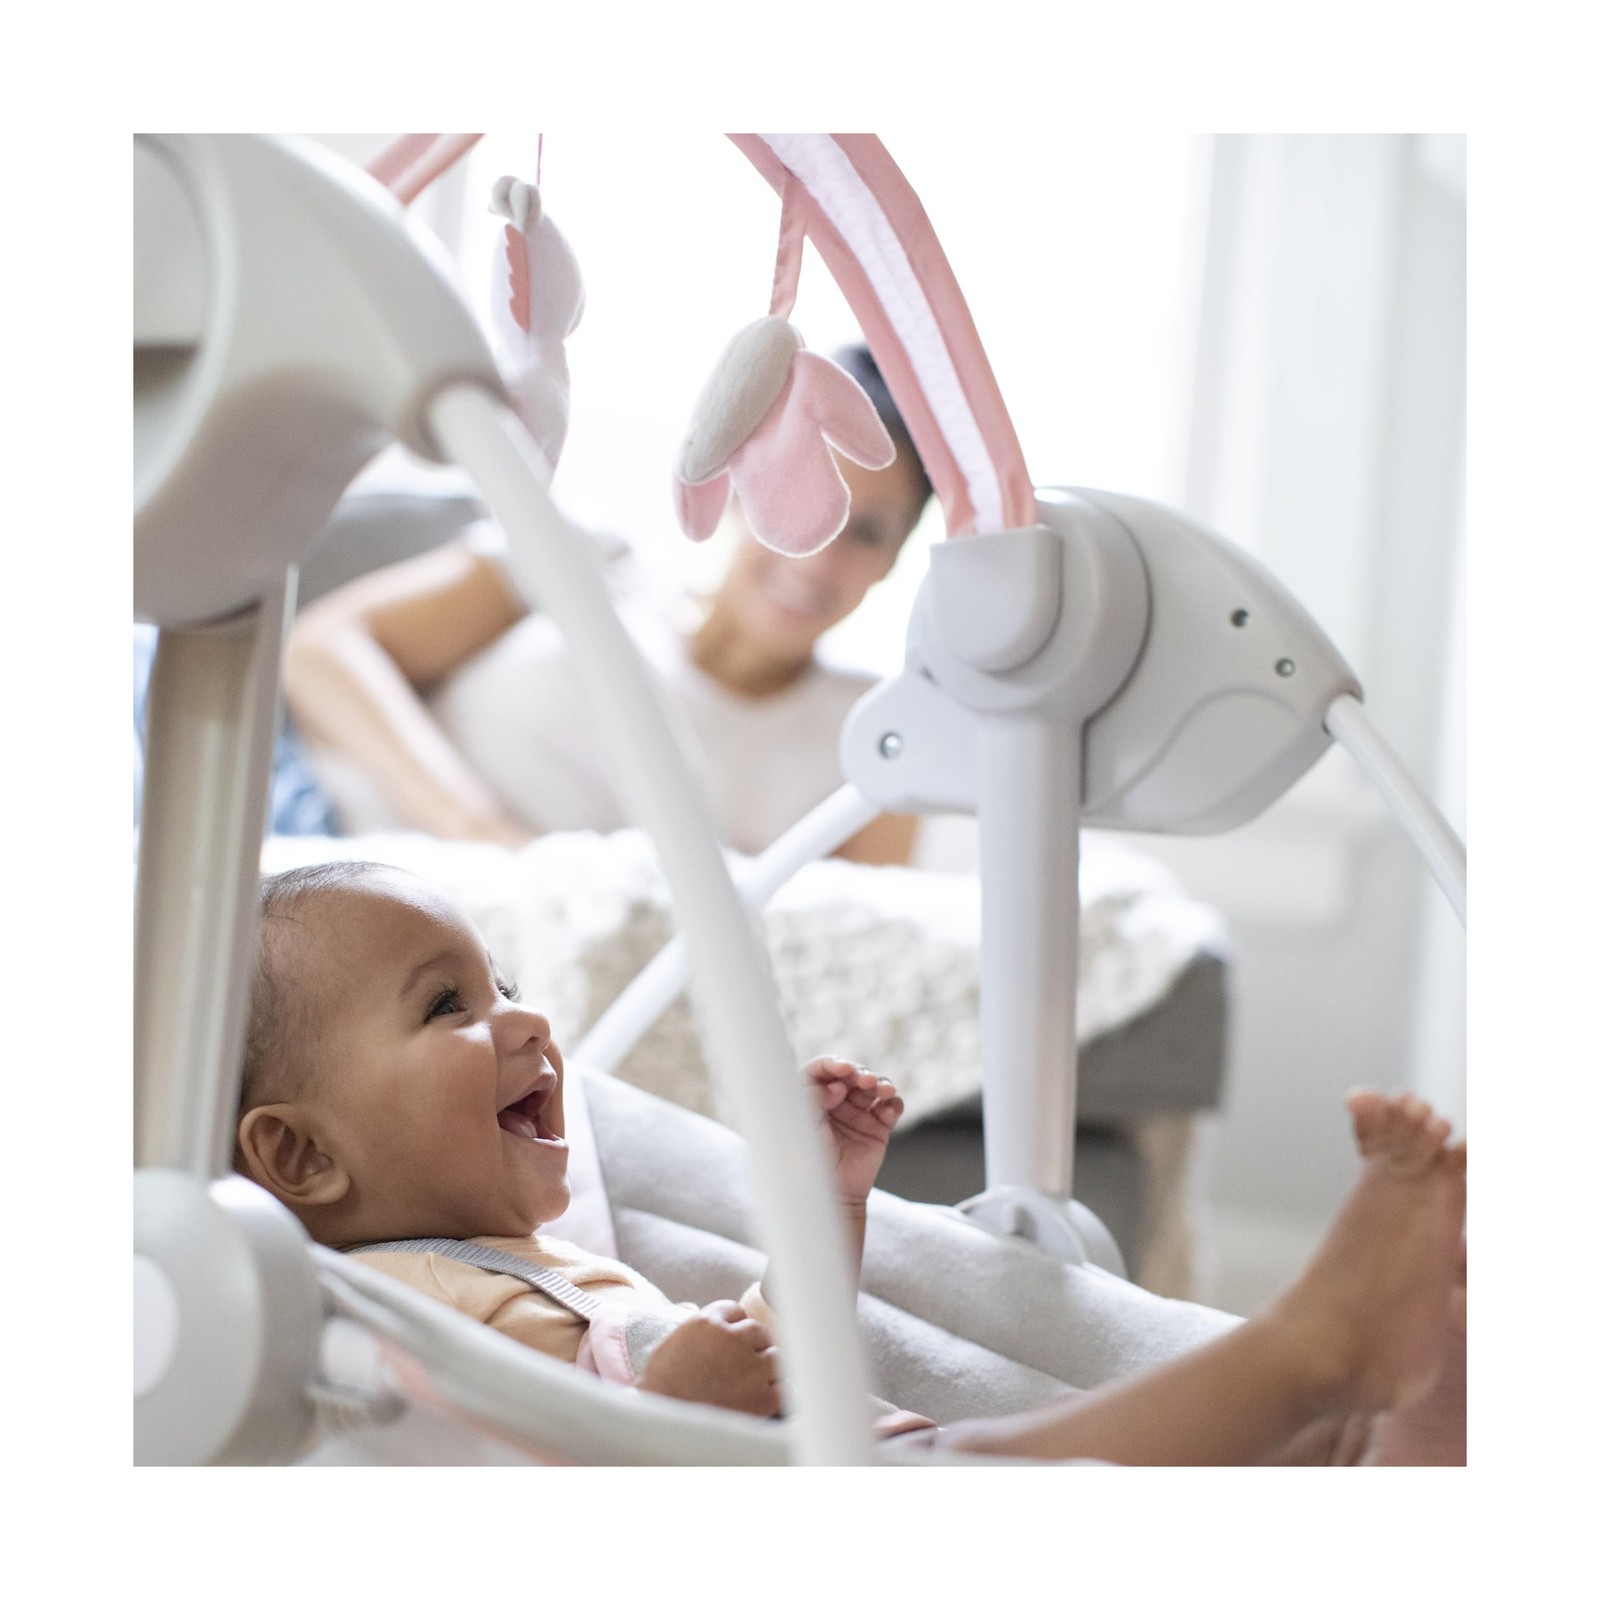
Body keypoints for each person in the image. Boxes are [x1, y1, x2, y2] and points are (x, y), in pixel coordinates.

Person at [235, 860, 1467, 1465]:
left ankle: (1404, 1436)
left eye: (503, 982)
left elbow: (788, 1344)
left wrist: (828, 1201)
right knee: (1062, 1469)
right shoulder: (374, 1307)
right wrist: (666, 1408)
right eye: (445, 1004)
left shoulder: (539, 1262)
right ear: (299, 1151)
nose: (525, 1018)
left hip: (863, 1463)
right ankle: (1315, 1357)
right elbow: (522, 1488)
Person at [283, 347, 933, 865]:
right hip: (319, 835)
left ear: (895, 559)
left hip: (488, 963)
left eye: (867, 532)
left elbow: (843, 943)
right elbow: (321, 651)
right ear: (744, 487)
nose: (817, 558)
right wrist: (484, 836)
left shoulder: (871, 737)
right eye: (801, 499)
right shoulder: (592, 557)